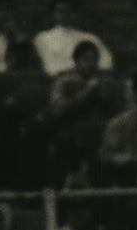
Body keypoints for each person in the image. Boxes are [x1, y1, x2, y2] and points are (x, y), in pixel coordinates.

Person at [49, 40, 124, 184]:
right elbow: (57, 110)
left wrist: (106, 95)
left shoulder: (107, 82)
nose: (91, 64)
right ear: (76, 61)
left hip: (102, 133)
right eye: (86, 59)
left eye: (95, 60)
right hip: (72, 132)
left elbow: (119, 111)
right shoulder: (63, 81)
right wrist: (86, 92)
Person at [33, 0, 114, 78]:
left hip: (91, 79)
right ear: (53, 14)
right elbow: (49, 67)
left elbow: (106, 62)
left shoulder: (90, 38)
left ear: (75, 13)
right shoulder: (43, 38)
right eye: (60, 11)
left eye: (68, 11)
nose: (64, 15)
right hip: (63, 80)